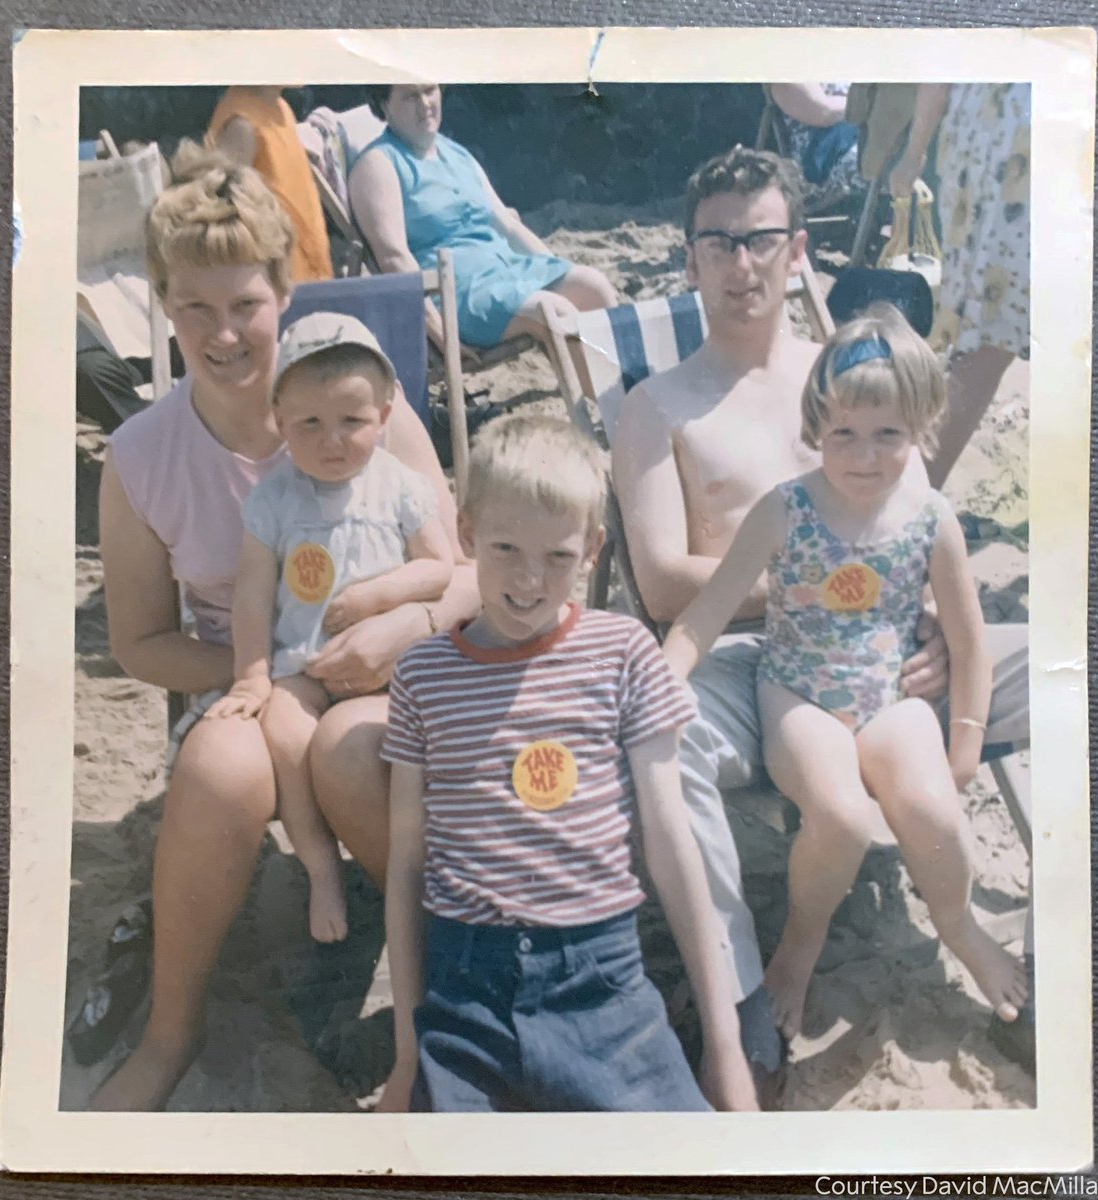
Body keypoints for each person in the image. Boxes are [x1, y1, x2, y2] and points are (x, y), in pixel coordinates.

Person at [610, 145, 1029, 1092]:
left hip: (896, 651)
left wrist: (914, 615)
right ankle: (739, 998)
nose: (740, 262)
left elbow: (918, 522)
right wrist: (825, 579)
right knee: (660, 746)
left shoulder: (854, 371)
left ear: (795, 250)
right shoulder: (657, 404)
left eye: (759, 239)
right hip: (751, 657)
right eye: (717, 243)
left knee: (1065, 666)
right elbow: (672, 586)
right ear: (689, 259)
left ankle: (1053, 945)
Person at [89, 143, 479, 1111]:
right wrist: (265, 673)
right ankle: (171, 1034)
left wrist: (405, 626)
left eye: (246, 305)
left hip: (392, 661)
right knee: (219, 765)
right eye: (194, 308)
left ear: (284, 294)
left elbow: (466, 574)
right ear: (163, 307)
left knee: (356, 749)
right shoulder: (141, 455)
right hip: (251, 670)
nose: (223, 335)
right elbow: (139, 643)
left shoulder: (359, 408)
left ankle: (460, 988)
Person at [663, 303, 1028, 1038]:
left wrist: (963, 742)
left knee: (931, 809)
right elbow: (705, 614)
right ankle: (800, 944)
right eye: (844, 435)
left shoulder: (930, 518)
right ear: (815, 431)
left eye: (886, 435)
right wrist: (668, 676)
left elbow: (967, 637)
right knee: (839, 813)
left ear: (921, 426)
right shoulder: (785, 510)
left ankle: (958, 927)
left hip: (892, 695)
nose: (863, 456)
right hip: (796, 691)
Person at [377, 415, 758, 1113]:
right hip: (465, 989)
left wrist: (724, 1045)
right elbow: (407, 860)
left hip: (602, 982)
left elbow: (674, 843)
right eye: (503, 548)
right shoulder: (423, 677)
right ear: (465, 535)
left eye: (557, 556)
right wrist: (407, 1053)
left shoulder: (621, 654)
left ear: (592, 547)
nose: (528, 578)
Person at [203, 312, 454, 943]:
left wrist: (380, 592)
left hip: (392, 666)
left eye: (353, 421)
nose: (332, 441)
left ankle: (428, 871)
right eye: (310, 423)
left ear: (386, 414)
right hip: (307, 664)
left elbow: (441, 567)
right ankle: (321, 868)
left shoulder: (399, 487)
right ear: (280, 420)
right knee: (284, 729)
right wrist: (253, 676)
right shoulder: (273, 500)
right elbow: (254, 600)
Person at [348, 83, 618, 354]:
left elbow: (508, 225)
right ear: (384, 105)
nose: (425, 104)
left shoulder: (455, 154)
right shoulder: (378, 165)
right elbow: (393, 258)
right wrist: (442, 335)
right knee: (551, 310)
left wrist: (553, 268)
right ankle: (611, 396)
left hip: (507, 272)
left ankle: (625, 390)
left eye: (429, 90)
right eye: (410, 97)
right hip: (463, 296)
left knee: (594, 287)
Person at [887, 84, 1030, 487]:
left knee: (984, 330)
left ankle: (908, 487)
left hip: (983, 131)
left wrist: (915, 151)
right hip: (1016, 140)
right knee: (991, 336)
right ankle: (910, 493)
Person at [207, 85, 334, 283]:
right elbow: (224, 213)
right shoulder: (241, 124)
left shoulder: (282, 108)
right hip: (275, 281)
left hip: (309, 273)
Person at [768, 83, 865, 214]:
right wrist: (874, 103)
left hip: (864, 137)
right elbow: (824, 112)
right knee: (887, 157)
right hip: (824, 158)